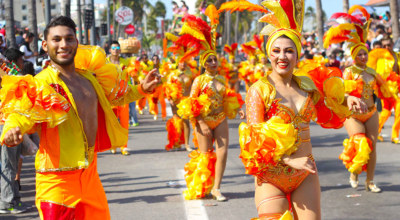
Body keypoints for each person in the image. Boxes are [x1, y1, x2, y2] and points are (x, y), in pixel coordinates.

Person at [0, 16, 160, 219]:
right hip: (57, 184)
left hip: (91, 177)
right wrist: (11, 129)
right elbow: (21, 114)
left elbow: (113, 97)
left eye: (69, 38)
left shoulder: (90, 78)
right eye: (56, 39)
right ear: (44, 44)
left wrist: (141, 89)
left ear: (77, 42)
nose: (63, 45)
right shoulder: (41, 84)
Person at [219, 0, 367, 218]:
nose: (282, 57)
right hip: (270, 177)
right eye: (276, 50)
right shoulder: (258, 91)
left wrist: (346, 98)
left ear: (297, 55)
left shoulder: (307, 84)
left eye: (289, 51)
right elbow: (253, 141)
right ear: (269, 54)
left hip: (305, 175)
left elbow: (328, 103)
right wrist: (289, 160)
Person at [176, 7, 245, 202]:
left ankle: (217, 188)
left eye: (215, 59)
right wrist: (201, 123)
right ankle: (203, 185)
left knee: (223, 153)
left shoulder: (222, 80)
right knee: (206, 155)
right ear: (205, 63)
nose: (214, 62)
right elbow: (191, 104)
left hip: (220, 118)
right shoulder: (199, 81)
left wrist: (239, 108)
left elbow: (228, 96)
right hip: (204, 121)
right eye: (210, 60)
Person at [324, 5, 391, 193]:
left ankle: (370, 181)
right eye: (359, 54)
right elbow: (341, 94)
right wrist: (347, 97)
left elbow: (385, 90)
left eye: (364, 53)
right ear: (354, 57)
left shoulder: (372, 72)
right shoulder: (348, 72)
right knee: (359, 142)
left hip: (371, 113)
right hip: (353, 114)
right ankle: (354, 171)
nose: (363, 56)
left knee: (372, 147)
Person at [0, 48, 29, 214]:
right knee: (8, 164)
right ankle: (7, 202)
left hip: (11, 122)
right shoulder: (9, 73)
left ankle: (14, 199)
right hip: (6, 123)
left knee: (10, 163)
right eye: (20, 60)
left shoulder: (8, 71)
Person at [368, 35, 400, 143]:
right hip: (385, 89)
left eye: (389, 45)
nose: (387, 47)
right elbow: (376, 74)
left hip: (396, 87)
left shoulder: (397, 55)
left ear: (392, 45)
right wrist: (380, 87)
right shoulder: (381, 58)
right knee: (394, 109)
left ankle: (382, 132)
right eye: (384, 45)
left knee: (388, 111)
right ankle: (392, 135)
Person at [107, 40, 131, 155]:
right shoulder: (105, 63)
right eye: (113, 49)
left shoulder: (125, 62)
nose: (115, 51)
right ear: (110, 50)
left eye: (117, 49)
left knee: (124, 122)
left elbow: (130, 77)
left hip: (123, 97)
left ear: (120, 50)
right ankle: (113, 144)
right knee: (112, 123)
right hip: (110, 97)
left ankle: (124, 146)